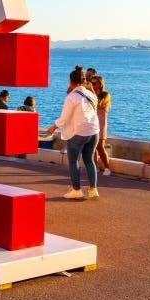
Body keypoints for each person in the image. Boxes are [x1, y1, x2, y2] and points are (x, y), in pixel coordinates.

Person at [47, 65, 100, 199]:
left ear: (71, 81)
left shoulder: (72, 97)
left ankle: (76, 190)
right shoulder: (91, 94)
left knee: (73, 161)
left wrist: (53, 127)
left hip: (79, 132)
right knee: (89, 160)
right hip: (94, 131)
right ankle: (93, 190)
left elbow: (64, 118)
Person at [91, 75, 112, 176]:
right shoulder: (90, 95)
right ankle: (95, 167)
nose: (92, 85)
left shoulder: (105, 95)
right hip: (92, 124)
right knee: (93, 147)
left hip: (101, 124)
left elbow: (99, 103)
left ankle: (107, 168)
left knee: (100, 147)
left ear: (100, 84)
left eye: (94, 83)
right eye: (91, 83)